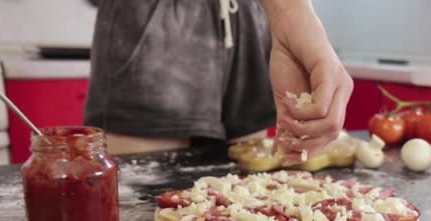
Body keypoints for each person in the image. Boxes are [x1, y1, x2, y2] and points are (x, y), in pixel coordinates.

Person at [84, 0, 353, 165]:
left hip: (251, 13)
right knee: (142, 200)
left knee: (241, 200)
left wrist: (294, 14)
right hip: (155, 16)